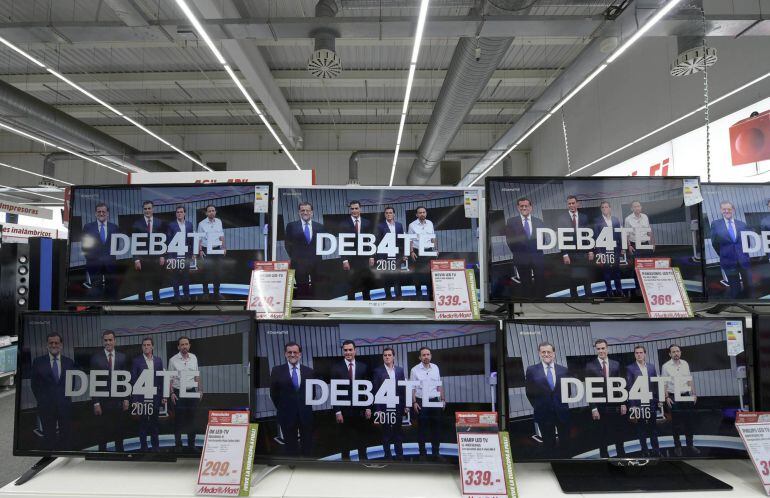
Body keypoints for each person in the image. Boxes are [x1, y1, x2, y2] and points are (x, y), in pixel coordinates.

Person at [269, 342, 316, 457]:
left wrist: (303, 407)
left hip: (305, 414)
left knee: (307, 444)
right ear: (285, 354)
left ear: (300, 354)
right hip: (286, 415)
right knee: (290, 444)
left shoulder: (309, 371)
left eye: (295, 352)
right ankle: (292, 464)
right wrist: (284, 408)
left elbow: (312, 393)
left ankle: (306, 464)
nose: (292, 354)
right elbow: (274, 394)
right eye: (289, 352)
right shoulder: (276, 371)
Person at [524, 341, 571, 457]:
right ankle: (553, 465)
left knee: (566, 444)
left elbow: (568, 391)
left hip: (562, 412)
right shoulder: (532, 370)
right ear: (539, 353)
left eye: (549, 352)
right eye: (543, 352)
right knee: (548, 445)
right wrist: (539, 406)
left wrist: (561, 405)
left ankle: (566, 466)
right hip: (543, 413)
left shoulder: (563, 370)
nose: (546, 354)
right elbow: (529, 393)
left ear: (554, 353)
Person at [31, 332, 74, 451]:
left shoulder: (69, 362)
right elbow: (34, 385)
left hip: (64, 406)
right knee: (49, 438)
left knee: (66, 436)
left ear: (61, 345)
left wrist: (65, 400)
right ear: (47, 345)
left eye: (56, 343)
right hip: (46, 407)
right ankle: (50, 461)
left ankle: (66, 461)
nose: (54, 345)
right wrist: (43, 401)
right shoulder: (38, 362)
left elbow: (72, 384)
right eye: (51, 343)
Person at [584, 339, 626, 458]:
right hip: (600, 406)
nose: (601, 351)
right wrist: (593, 408)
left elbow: (620, 385)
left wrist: (623, 403)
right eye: (598, 349)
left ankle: (622, 456)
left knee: (618, 434)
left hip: (615, 405)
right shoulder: (590, 366)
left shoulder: (615, 364)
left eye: (603, 348)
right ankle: (604, 458)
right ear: (596, 350)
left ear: (607, 348)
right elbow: (589, 388)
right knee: (602, 435)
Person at [330, 340, 371, 460]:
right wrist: (337, 412)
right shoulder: (335, 368)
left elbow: (368, 388)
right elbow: (333, 391)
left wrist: (368, 407)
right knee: (344, 441)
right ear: (343, 351)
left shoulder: (364, 367)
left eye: (350, 350)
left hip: (360, 411)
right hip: (343, 411)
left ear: (355, 351)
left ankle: (364, 462)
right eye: (345, 350)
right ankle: (346, 465)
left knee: (362, 440)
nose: (348, 352)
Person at [90, 330, 129, 452]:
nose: (108, 342)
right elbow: (93, 382)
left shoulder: (123, 357)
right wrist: (96, 403)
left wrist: (126, 398)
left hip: (118, 401)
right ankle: (102, 454)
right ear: (103, 341)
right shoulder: (96, 358)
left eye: (110, 340)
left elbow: (126, 380)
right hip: (103, 402)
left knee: (119, 431)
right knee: (102, 431)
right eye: (105, 340)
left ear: (115, 341)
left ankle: (120, 454)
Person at [662, 344, 700, 457]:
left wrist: (694, 393)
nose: (676, 353)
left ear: (680, 352)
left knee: (689, 422)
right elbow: (664, 383)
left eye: (677, 351)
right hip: (674, 397)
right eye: (673, 352)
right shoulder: (666, 366)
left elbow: (689, 379)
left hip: (686, 395)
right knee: (676, 424)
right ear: (670, 354)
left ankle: (690, 445)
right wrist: (666, 397)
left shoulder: (685, 364)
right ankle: (677, 446)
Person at [709, 201, 752, 298]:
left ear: (733, 210)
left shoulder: (742, 224)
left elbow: (747, 242)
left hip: (744, 260)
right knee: (735, 288)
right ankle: (738, 307)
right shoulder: (716, 224)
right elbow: (715, 243)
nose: (726, 211)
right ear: (721, 210)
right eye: (724, 209)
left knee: (749, 286)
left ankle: (750, 304)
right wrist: (724, 254)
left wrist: (744, 254)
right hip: (728, 261)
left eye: (729, 209)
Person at [130, 336, 166, 452]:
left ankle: (156, 447)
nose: (146, 347)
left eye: (148, 345)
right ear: (142, 347)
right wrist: (135, 400)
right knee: (143, 424)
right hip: (141, 398)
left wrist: (163, 396)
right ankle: (143, 448)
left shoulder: (158, 360)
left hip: (155, 397)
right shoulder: (136, 361)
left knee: (155, 424)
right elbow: (134, 381)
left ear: (152, 347)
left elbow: (161, 380)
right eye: (144, 345)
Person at [371, 347, 407, 460]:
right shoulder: (377, 371)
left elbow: (403, 389)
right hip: (384, 407)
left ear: (393, 357)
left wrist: (406, 405)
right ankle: (388, 456)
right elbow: (375, 391)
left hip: (398, 406)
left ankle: (400, 456)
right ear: (383, 357)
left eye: (389, 355)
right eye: (385, 355)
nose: (387, 357)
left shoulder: (400, 370)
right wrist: (378, 409)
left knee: (398, 433)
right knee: (386, 433)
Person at [505, 197, 545, 298]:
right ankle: (528, 303)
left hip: (537, 257)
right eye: (521, 206)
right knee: (525, 283)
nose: (524, 208)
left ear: (530, 207)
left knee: (540, 282)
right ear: (518, 207)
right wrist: (520, 254)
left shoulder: (539, 221)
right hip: (521, 258)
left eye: (526, 206)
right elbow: (510, 241)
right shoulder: (511, 221)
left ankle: (540, 301)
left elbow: (543, 239)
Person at [284, 202, 326, 298]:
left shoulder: (319, 226)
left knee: (317, 288)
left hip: (316, 263)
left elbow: (322, 245)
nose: (305, 212)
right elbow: (287, 244)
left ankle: (315, 307)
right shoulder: (291, 226)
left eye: (308, 210)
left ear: (312, 212)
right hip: (299, 263)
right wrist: (296, 257)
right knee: (302, 289)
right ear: (299, 212)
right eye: (303, 210)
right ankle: (304, 307)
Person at [410, 346, 444, 461]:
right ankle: (422, 454)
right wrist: (414, 402)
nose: (426, 357)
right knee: (422, 429)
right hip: (421, 402)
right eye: (423, 355)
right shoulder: (414, 370)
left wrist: (443, 399)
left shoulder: (436, 368)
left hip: (435, 401)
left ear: (431, 356)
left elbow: (439, 385)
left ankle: (436, 453)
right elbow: (412, 388)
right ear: (420, 357)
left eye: (428, 354)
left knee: (436, 428)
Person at [625, 345, 660, 457]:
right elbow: (629, 388)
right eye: (637, 353)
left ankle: (656, 450)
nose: (639, 354)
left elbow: (655, 385)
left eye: (641, 352)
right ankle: (645, 451)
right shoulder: (630, 368)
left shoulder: (651, 367)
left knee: (653, 428)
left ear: (645, 354)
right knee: (641, 429)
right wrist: (633, 405)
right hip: (638, 403)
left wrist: (657, 400)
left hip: (651, 402)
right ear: (634, 354)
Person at [169, 336, 202, 452]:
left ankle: (191, 445)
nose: (184, 346)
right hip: (179, 392)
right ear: (178, 347)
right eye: (182, 344)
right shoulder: (173, 360)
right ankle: (178, 445)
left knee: (192, 419)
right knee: (179, 420)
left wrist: (200, 390)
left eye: (186, 344)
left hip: (192, 392)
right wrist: (172, 393)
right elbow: (170, 379)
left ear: (189, 345)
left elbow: (197, 375)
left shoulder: (194, 358)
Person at [81, 202, 120, 299]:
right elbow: (84, 246)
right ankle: (97, 311)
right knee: (96, 291)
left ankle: (110, 311)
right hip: (94, 264)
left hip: (110, 264)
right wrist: (91, 259)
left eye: (103, 211)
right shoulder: (88, 227)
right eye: (99, 211)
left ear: (108, 213)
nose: (101, 214)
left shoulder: (114, 227)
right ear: (95, 213)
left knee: (111, 290)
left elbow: (117, 245)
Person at [557, 195, 594, 298]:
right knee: (572, 277)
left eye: (573, 203)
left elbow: (588, 235)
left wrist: (590, 250)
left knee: (586, 276)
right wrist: (564, 254)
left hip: (583, 252)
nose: (571, 205)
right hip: (570, 253)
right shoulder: (562, 218)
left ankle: (589, 296)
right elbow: (561, 237)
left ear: (577, 204)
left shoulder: (584, 217)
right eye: (569, 203)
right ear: (567, 205)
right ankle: (574, 297)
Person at [131, 200, 165, 302]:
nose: (147, 211)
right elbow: (134, 243)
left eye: (149, 208)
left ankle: (156, 302)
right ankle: (142, 304)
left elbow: (163, 240)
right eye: (145, 209)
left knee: (156, 281)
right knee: (142, 283)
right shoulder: (137, 224)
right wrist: (136, 259)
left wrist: (162, 255)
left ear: (153, 209)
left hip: (155, 258)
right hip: (142, 258)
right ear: (143, 210)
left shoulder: (160, 222)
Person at [342, 200, 374, 300]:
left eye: (356, 208)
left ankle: (367, 302)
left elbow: (371, 241)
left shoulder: (367, 223)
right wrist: (344, 260)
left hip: (364, 258)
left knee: (366, 282)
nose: (354, 210)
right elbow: (342, 243)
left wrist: (372, 256)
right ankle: (351, 304)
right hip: (350, 259)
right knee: (351, 283)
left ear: (360, 209)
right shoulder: (344, 223)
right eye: (352, 209)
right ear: (350, 210)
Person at [375, 206, 408, 299]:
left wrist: (404, 255)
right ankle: (388, 296)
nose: (389, 214)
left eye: (390, 213)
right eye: (387, 213)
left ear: (394, 214)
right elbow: (378, 242)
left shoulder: (399, 225)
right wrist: (380, 258)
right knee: (387, 278)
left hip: (397, 256)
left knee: (397, 277)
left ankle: (399, 296)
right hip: (385, 256)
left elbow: (402, 241)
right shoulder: (380, 226)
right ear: (384, 214)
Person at [593, 201, 625, 297]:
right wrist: (599, 252)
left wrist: (622, 248)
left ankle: (619, 290)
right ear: (601, 209)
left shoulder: (615, 219)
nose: (605, 208)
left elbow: (619, 234)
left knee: (617, 272)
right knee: (607, 272)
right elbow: (596, 237)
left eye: (606, 207)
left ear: (610, 208)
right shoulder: (597, 220)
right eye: (603, 207)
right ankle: (609, 291)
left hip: (615, 249)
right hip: (604, 250)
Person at [164, 205, 195, 301]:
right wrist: (170, 256)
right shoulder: (171, 225)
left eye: (181, 212)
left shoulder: (189, 225)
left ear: (184, 213)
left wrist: (193, 254)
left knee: (186, 277)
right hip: (175, 255)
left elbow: (191, 240)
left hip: (186, 255)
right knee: (175, 277)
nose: (179, 213)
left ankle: (187, 295)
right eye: (177, 212)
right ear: (176, 214)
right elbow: (168, 241)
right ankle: (176, 295)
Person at [624, 201, 655, 295]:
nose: (637, 208)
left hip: (645, 244)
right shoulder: (628, 219)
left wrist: (652, 242)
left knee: (647, 266)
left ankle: (647, 287)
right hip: (634, 245)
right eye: (635, 206)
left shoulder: (645, 217)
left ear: (641, 207)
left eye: (638, 206)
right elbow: (626, 234)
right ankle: (637, 289)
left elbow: (649, 230)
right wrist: (629, 245)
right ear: (631, 209)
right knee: (636, 268)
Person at [408, 206, 439, 300]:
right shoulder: (412, 225)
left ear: (426, 213)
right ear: (416, 214)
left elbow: (433, 237)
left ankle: (430, 295)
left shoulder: (430, 223)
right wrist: (411, 251)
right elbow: (410, 240)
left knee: (430, 273)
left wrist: (435, 249)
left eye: (423, 212)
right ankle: (418, 294)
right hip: (417, 251)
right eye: (420, 212)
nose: (422, 214)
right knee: (418, 274)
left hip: (429, 251)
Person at [197, 204, 226, 299]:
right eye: (209, 211)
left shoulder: (219, 221)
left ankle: (216, 292)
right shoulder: (201, 224)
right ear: (206, 213)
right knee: (206, 272)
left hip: (217, 249)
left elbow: (221, 235)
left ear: (215, 211)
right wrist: (200, 250)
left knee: (217, 272)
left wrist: (224, 247)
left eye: (213, 210)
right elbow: (199, 238)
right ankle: (205, 292)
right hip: (206, 249)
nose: (211, 212)